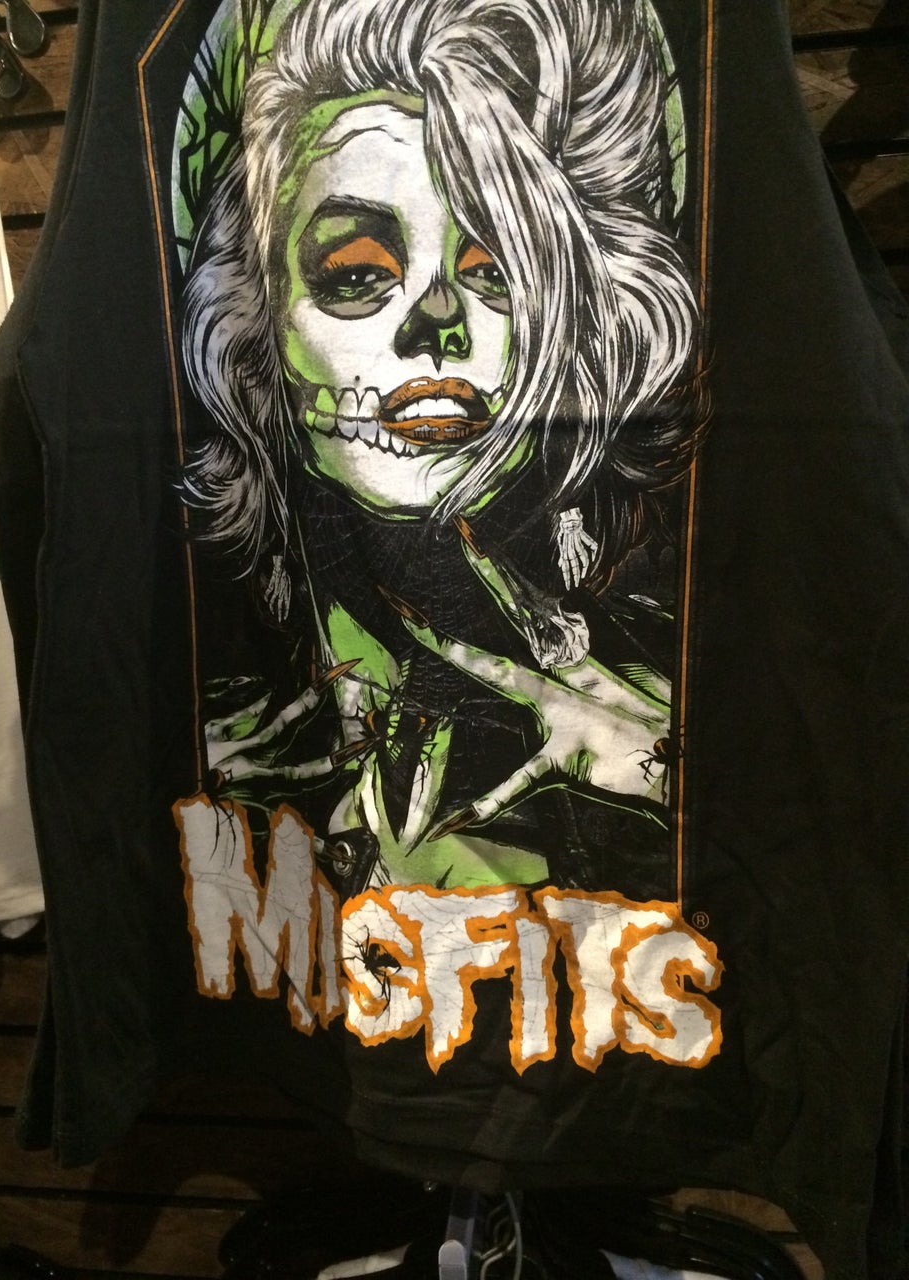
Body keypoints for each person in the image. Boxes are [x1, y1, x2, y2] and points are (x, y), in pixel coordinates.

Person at [177, 0, 706, 901]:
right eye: (356, 272)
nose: (437, 323)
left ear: (585, 323)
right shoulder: (222, 722)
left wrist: (672, 778)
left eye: (496, 269)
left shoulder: (670, 693)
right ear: (253, 327)